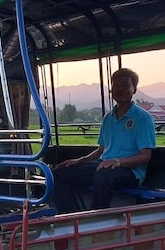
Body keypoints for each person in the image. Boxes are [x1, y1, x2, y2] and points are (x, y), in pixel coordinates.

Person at [52, 68, 156, 213]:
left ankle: (95, 219)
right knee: (58, 173)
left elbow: (145, 156)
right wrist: (80, 160)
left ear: (134, 89)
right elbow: (101, 150)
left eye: (125, 86)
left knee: (103, 177)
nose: (120, 90)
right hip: (104, 164)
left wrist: (118, 162)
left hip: (130, 171)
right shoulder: (108, 118)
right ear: (111, 89)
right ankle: (72, 217)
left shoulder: (142, 118)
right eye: (116, 86)